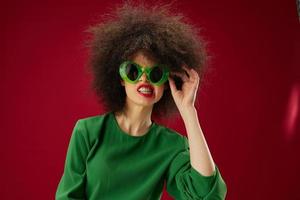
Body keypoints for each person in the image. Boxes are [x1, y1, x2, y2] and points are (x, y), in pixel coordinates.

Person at [56, 2, 227, 200]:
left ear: (166, 82)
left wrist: (189, 111)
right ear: (120, 78)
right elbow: (67, 196)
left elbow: (208, 195)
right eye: (133, 71)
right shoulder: (88, 132)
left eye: (155, 73)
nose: (144, 79)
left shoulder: (171, 145)